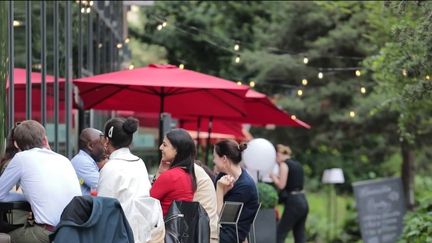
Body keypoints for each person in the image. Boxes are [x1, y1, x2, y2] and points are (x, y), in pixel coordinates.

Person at [0, 120, 82, 243]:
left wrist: (25, 197)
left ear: (17, 144)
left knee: (7, 237)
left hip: (50, 234)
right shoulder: (64, 159)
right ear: (45, 140)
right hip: (75, 233)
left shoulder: (21, 158)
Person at [98, 117, 164, 243]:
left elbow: (103, 210)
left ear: (107, 140)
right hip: (143, 234)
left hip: (120, 235)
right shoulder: (139, 163)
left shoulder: (110, 167)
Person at [214, 139, 259, 243]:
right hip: (217, 230)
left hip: (229, 236)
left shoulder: (245, 186)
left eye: (215, 157)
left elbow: (223, 220)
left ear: (224, 158)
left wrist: (220, 190)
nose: (213, 161)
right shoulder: (222, 176)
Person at [150, 128, 196, 217]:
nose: (160, 147)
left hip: (163, 227)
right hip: (179, 228)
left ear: (177, 150)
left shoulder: (170, 176)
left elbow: (147, 203)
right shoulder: (188, 175)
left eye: (165, 145)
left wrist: (159, 174)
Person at [270, 144, 309, 243]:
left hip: (294, 202)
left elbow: (281, 185)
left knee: (279, 233)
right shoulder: (297, 164)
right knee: (299, 235)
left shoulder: (284, 164)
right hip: (303, 200)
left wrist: (273, 176)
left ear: (278, 154)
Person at [71, 128, 107, 195]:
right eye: (102, 144)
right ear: (90, 146)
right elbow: (104, 186)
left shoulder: (86, 160)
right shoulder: (82, 162)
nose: (105, 148)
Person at [194, 161, 219, 243]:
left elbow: (220, 213)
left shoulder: (199, 176)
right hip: (213, 232)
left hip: (205, 233)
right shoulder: (208, 179)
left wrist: (221, 190)